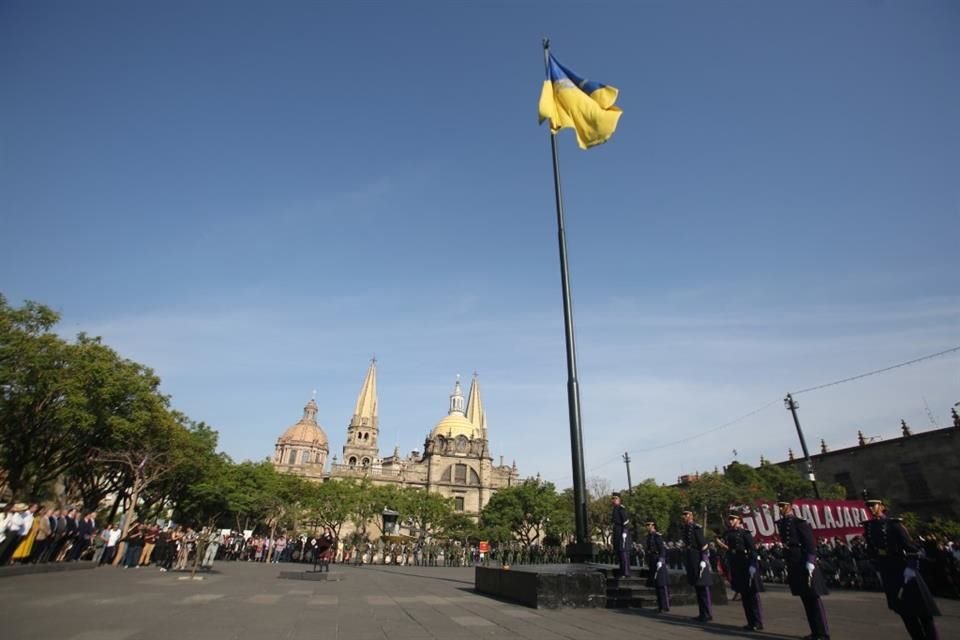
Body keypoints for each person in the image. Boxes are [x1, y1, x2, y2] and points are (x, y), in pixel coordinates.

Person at [862, 494, 940, 640]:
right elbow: (872, 551)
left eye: (874, 505)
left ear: (882, 507)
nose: (872, 508)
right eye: (869, 506)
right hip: (888, 570)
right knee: (904, 611)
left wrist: (911, 567)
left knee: (922, 611)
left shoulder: (894, 524)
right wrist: (878, 568)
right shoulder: (869, 527)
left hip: (904, 569)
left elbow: (911, 548)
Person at [776, 499, 830, 640]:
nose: (781, 508)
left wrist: (811, 560)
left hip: (804, 561)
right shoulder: (781, 523)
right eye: (779, 506)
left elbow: (810, 543)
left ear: (790, 507)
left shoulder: (799, 523)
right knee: (806, 599)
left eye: (783, 505)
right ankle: (815, 631)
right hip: (794, 563)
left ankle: (823, 633)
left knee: (814, 599)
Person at [723, 509, 763, 631]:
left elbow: (753, 551)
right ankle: (750, 621)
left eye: (733, 519)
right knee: (744, 596)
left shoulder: (745, 533)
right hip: (737, 566)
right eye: (729, 519)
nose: (730, 521)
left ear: (739, 520)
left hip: (747, 565)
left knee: (752, 596)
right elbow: (730, 551)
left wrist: (753, 565)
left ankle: (758, 621)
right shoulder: (729, 534)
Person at [680, 508, 713, 622]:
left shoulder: (696, 528)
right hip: (691, 558)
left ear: (691, 516)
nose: (683, 517)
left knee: (703, 587)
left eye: (686, 515)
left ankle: (707, 613)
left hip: (698, 558)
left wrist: (704, 559)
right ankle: (702, 613)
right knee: (697, 588)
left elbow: (703, 545)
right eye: (683, 515)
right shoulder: (685, 529)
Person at [644, 521, 670, 612]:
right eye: (646, 525)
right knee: (656, 584)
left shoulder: (657, 536)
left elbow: (662, 550)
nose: (647, 526)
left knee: (662, 583)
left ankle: (665, 605)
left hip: (658, 559)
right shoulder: (648, 536)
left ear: (653, 525)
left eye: (648, 525)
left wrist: (661, 560)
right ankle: (660, 605)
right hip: (652, 559)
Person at [611, 493, 631, 578]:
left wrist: (625, 532)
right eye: (613, 499)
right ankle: (622, 570)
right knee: (619, 552)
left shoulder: (621, 508)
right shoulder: (614, 509)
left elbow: (626, 521)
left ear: (619, 499)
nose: (614, 500)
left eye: (615, 498)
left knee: (623, 553)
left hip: (621, 530)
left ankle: (626, 572)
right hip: (617, 530)